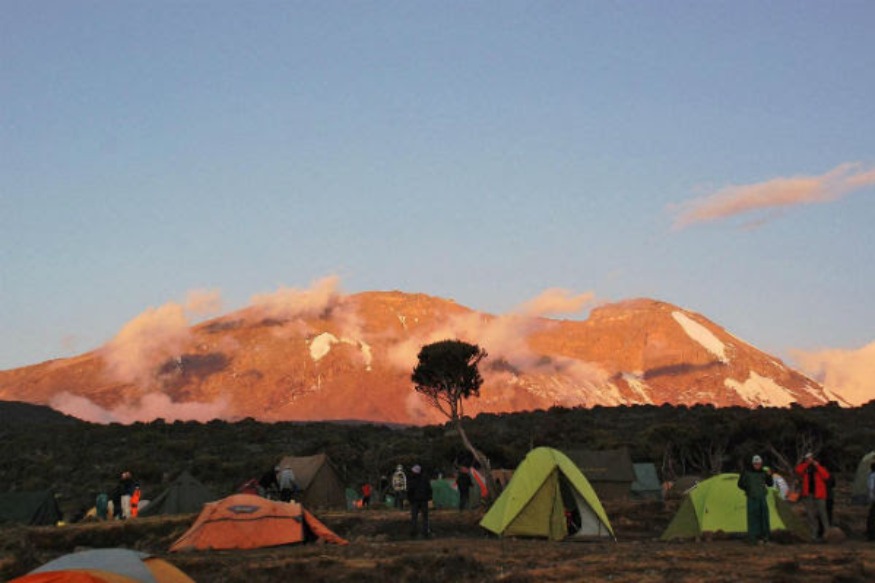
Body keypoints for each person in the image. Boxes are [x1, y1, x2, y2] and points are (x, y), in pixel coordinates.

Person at [737, 454, 773, 545]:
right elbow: (740, 484)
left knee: (764, 518)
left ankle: (765, 537)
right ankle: (753, 538)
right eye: (755, 464)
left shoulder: (763, 472)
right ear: (752, 464)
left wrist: (769, 476)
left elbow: (770, 484)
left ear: (761, 464)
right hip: (752, 498)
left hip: (762, 498)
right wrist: (748, 489)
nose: (757, 465)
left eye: (759, 464)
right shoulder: (747, 472)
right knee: (753, 518)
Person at [795, 452, 831, 541]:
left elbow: (826, 476)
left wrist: (817, 466)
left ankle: (828, 533)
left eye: (811, 458)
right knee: (810, 514)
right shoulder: (805, 468)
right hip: (808, 494)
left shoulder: (820, 467)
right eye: (807, 459)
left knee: (822, 513)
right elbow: (798, 470)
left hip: (819, 494)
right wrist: (807, 464)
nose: (809, 460)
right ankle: (814, 534)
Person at [407, 464, 432, 537]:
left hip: (415, 500)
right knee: (425, 517)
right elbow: (429, 489)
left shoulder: (412, 479)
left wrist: (409, 499)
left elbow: (410, 490)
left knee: (414, 517)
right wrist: (429, 498)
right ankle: (425, 531)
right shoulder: (425, 479)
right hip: (424, 500)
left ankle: (414, 531)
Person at [866, 461, 875, 541]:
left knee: (872, 517)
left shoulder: (871, 475)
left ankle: (871, 534)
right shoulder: (872, 476)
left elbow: (871, 488)